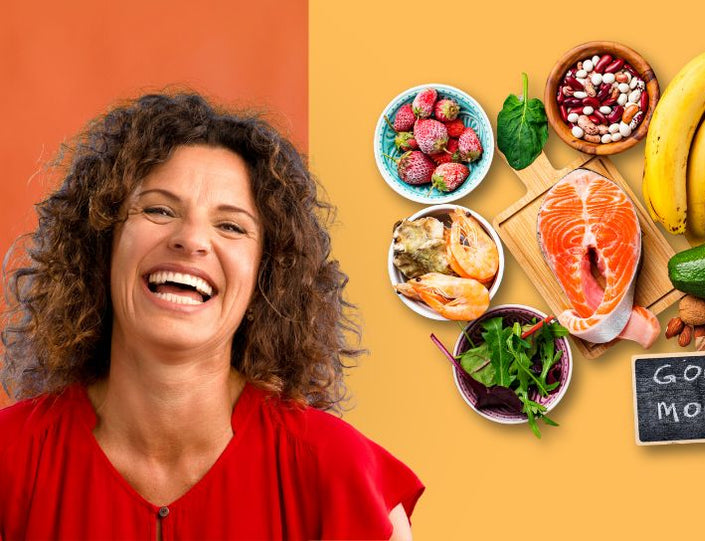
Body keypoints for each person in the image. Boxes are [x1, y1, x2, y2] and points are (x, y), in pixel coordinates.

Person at [0, 93, 423, 540]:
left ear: (267, 273)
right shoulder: (8, 461)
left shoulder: (339, 475)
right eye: (159, 210)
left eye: (231, 226)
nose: (192, 240)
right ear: (102, 242)